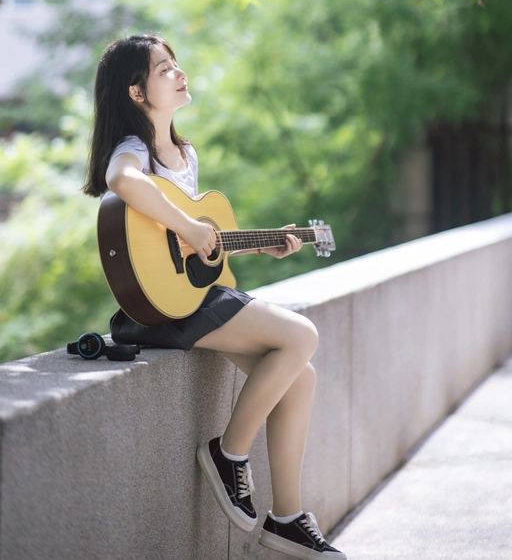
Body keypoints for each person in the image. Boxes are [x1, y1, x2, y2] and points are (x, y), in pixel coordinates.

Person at [83, 33, 346, 560]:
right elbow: (122, 183)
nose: (180, 73)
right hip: (155, 312)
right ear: (137, 93)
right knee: (303, 336)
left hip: (187, 301)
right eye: (164, 69)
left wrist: (259, 246)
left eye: (176, 64)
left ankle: (287, 518)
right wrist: (186, 223)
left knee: (301, 374)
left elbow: (194, 257)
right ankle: (229, 454)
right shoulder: (135, 151)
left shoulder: (185, 153)